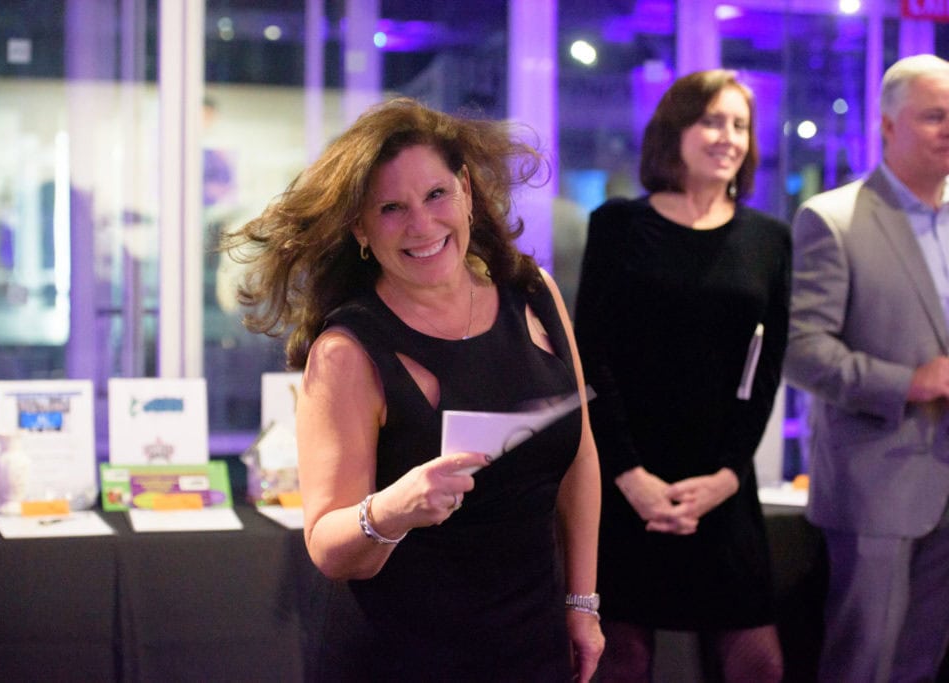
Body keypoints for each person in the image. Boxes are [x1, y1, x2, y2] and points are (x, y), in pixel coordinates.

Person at [224, 97, 604, 681]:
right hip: (401, 658)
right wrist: (393, 510)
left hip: (533, 647)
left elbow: (580, 456)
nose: (422, 225)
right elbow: (326, 546)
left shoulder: (535, 292)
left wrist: (582, 603)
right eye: (391, 208)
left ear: (467, 191)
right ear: (360, 228)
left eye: (436, 195)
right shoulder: (347, 351)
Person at [573, 70, 789, 682]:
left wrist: (728, 475)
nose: (729, 137)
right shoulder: (617, 224)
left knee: (758, 663)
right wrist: (629, 475)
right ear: (675, 131)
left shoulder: (769, 238)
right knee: (623, 660)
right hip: (626, 479)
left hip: (720, 481)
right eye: (712, 121)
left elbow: (765, 369)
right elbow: (591, 358)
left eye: (740, 125)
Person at [783, 53, 949, 683]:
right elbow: (802, 350)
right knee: (862, 665)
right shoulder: (834, 219)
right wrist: (910, 383)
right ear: (886, 125)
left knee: (921, 665)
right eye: (934, 116)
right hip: (875, 486)